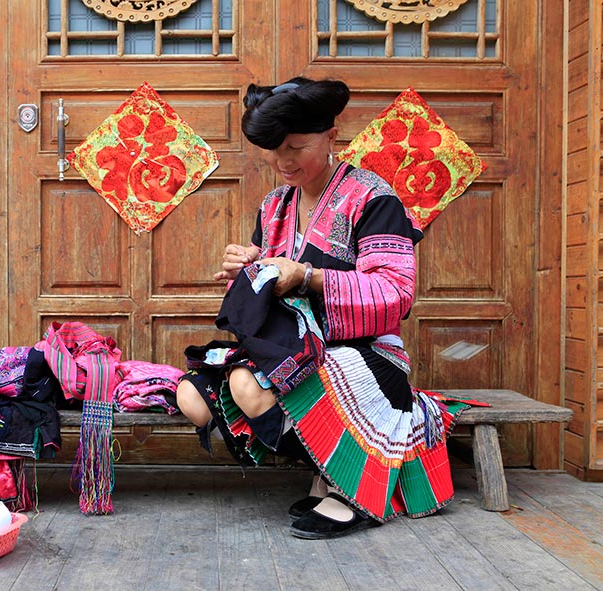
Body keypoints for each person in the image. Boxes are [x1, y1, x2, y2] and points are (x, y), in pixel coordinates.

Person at [176, 76, 461, 539]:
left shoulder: (373, 198)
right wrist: (247, 266)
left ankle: (349, 486)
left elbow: (395, 294)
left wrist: (307, 277)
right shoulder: (274, 206)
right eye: (272, 149)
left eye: (295, 147)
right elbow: (268, 278)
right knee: (194, 396)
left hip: (364, 352)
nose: (282, 162)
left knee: (249, 386)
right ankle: (325, 467)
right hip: (292, 346)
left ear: (331, 136)